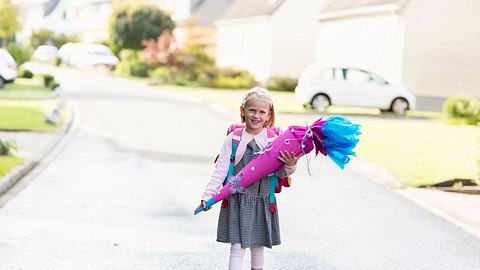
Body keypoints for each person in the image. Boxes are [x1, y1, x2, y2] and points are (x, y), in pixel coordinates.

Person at [195, 87, 299, 270]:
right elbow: (220, 171)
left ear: (269, 115)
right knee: (237, 247)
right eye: (252, 110)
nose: (256, 115)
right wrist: (207, 197)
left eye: (262, 112)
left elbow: (280, 174)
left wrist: (291, 164)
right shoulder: (233, 139)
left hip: (263, 200)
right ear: (243, 110)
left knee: (258, 248)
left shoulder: (274, 140)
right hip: (237, 200)